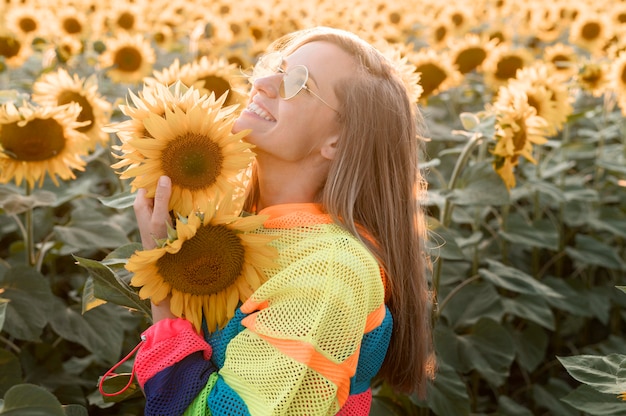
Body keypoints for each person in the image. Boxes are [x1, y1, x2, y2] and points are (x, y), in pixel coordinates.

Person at [132, 26, 434, 415]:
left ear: (337, 142)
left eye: (299, 83)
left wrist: (164, 282)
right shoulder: (249, 224)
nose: (262, 82)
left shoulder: (330, 273)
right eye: (276, 67)